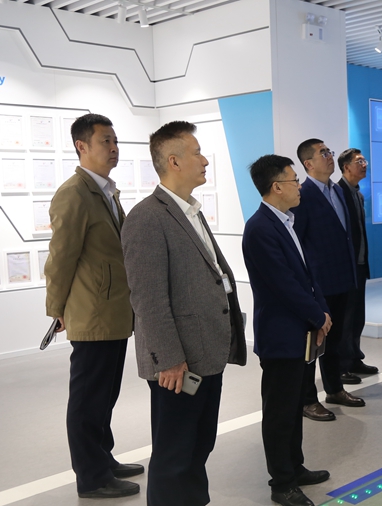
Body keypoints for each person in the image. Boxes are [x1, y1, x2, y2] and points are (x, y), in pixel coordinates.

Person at [121, 121, 247, 506]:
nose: (205, 160)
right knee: (174, 452)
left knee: (199, 444)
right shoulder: (147, 217)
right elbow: (148, 299)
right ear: (174, 161)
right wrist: (170, 359)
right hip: (179, 363)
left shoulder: (191, 211)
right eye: (197, 153)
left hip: (205, 352)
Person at [43, 113, 142, 499]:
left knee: (105, 395)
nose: (114, 148)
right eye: (105, 141)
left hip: (113, 310)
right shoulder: (74, 193)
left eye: (115, 141)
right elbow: (61, 257)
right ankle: (92, 477)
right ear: (81, 146)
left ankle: (104, 460)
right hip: (93, 313)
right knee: (88, 400)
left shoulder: (106, 191)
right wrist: (57, 309)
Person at [243, 155, 331, 506]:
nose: (299, 187)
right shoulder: (260, 228)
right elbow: (283, 285)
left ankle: (295, 467)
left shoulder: (286, 221)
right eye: (294, 180)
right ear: (276, 186)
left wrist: (321, 310)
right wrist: (317, 316)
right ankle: (281, 483)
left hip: (299, 331)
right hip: (280, 334)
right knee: (280, 412)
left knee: (294, 406)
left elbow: (307, 275)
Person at [293, 139, 365, 421]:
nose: (329, 156)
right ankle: (307, 399)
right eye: (322, 153)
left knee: (335, 340)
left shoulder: (338, 190)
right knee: (314, 343)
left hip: (343, 279)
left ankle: (334, 389)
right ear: (308, 163)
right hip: (319, 283)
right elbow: (299, 242)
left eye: (329, 152)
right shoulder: (303, 194)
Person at [337, 148, 379, 382]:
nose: (364, 165)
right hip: (345, 267)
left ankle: (354, 358)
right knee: (344, 317)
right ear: (346, 167)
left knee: (357, 316)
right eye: (359, 161)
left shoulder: (358, 194)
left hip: (359, 264)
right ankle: (341, 366)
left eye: (364, 160)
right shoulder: (337, 193)